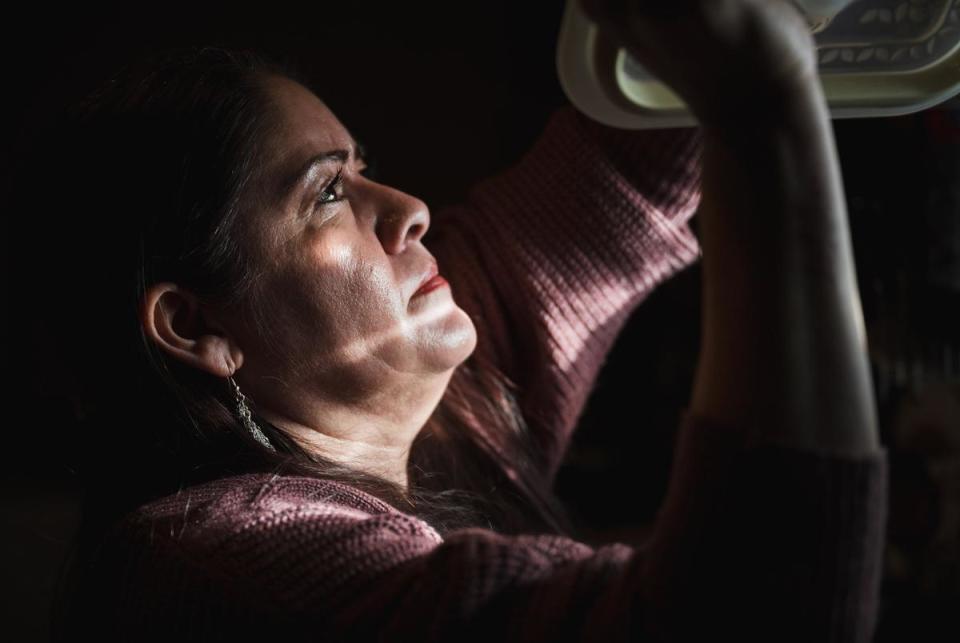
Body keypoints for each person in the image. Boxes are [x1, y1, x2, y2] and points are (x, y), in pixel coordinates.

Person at [45, 0, 888, 640]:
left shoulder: (447, 402)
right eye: (328, 193)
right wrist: (763, 102)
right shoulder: (222, 571)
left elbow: (621, 163)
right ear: (194, 325)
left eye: (362, 169)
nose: (409, 208)